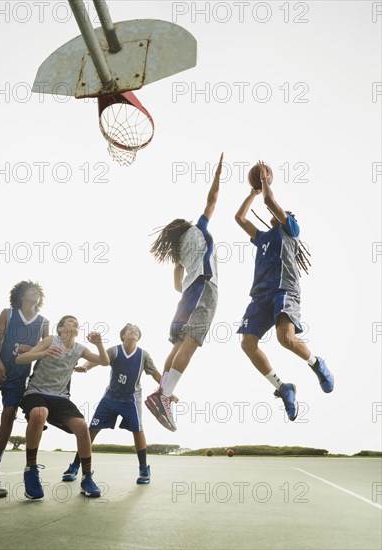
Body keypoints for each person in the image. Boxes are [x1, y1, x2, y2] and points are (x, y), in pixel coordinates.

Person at [234, 160, 334, 421]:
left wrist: (265, 181)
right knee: (247, 343)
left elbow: (270, 203)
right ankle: (283, 387)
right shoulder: (264, 238)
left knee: (284, 338)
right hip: (261, 295)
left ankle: (316, 363)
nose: (276, 213)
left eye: (281, 212)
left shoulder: (291, 230)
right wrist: (252, 192)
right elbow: (239, 218)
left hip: (285, 290)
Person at [145, 153, 223, 431]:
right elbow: (211, 201)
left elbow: (176, 286)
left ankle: (161, 393)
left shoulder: (178, 253)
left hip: (186, 296)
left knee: (178, 344)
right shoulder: (198, 229)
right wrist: (217, 177)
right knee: (191, 343)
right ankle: (163, 396)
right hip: (204, 287)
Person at [16, 315, 109, 499]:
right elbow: (21, 359)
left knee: (82, 427)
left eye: (77, 322)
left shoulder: (79, 348)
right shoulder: (51, 340)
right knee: (39, 414)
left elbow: (105, 361)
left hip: (60, 398)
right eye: (70, 321)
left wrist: (99, 344)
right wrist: (42, 353)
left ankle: (87, 478)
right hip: (36, 393)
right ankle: (31, 470)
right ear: (60, 328)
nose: (75, 323)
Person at [0, 280, 48, 497]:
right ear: (21, 296)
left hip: (18, 378)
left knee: (8, 416)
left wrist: (31, 349)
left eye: (38, 291)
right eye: (31, 290)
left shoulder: (43, 323)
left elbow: (44, 349)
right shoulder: (8, 314)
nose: (35, 293)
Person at [61, 323, 163, 485]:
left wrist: (168, 391)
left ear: (139, 337)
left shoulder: (143, 355)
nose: (133, 332)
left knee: (138, 430)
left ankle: (144, 468)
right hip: (110, 398)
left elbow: (156, 374)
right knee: (91, 431)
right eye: (130, 330)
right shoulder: (114, 350)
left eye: (136, 331)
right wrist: (85, 367)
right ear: (123, 336)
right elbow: (98, 360)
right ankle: (75, 466)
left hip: (131, 399)